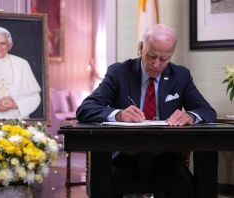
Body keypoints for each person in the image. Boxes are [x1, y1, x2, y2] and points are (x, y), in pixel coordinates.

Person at [76, 24, 217, 198]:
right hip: (123, 158)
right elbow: (85, 109)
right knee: (103, 186)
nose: (157, 64)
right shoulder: (119, 72)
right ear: (141, 48)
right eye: (151, 56)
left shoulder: (180, 75)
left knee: (188, 188)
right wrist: (118, 115)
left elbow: (207, 111)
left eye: (163, 58)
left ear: (171, 54)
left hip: (166, 159)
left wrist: (190, 116)